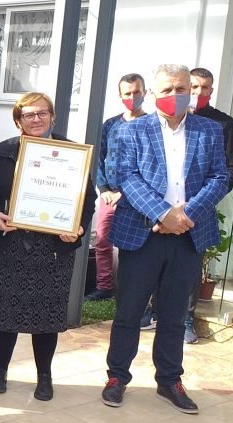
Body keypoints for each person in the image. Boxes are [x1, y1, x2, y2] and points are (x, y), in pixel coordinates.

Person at [102, 64, 228, 414]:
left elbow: (220, 177)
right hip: (142, 233)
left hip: (188, 234)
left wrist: (186, 215)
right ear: (154, 93)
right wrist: (162, 214)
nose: (175, 95)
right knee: (129, 312)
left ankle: (170, 380)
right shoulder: (132, 130)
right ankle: (117, 377)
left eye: (182, 88)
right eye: (168, 89)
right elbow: (126, 177)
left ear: (192, 90)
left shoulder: (210, 130)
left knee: (174, 315)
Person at [0, 92, 97, 401]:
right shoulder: (2, 153)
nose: (36, 119)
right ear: (18, 121)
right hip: (10, 244)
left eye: (42, 113)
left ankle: (45, 376)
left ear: (52, 116)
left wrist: (79, 227)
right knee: (5, 311)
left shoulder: (72, 154)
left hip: (52, 249)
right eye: (28, 114)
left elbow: (88, 199)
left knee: (47, 315)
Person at [181, 66, 233, 343]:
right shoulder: (173, 119)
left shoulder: (223, 123)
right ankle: (154, 310)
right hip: (165, 206)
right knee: (159, 259)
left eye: (205, 87)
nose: (199, 92)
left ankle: (185, 319)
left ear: (212, 90)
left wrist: (205, 200)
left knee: (191, 263)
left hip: (200, 206)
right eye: (194, 87)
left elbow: (232, 169)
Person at [86, 73, 147, 302]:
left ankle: (128, 289)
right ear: (120, 96)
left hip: (137, 198)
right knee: (102, 240)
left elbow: (150, 166)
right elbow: (98, 158)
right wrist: (104, 190)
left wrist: (126, 193)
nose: (132, 97)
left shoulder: (151, 125)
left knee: (131, 245)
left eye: (136, 92)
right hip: (109, 196)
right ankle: (104, 287)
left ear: (145, 92)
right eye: (127, 93)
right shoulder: (110, 125)